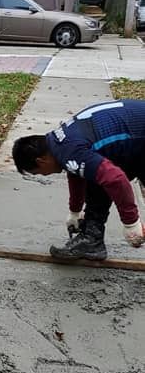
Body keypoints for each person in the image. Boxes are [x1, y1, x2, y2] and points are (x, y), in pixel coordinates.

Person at [12, 99, 145, 261]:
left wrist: (131, 223)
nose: (44, 175)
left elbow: (116, 179)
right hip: (137, 139)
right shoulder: (60, 142)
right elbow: (77, 171)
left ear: (41, 161)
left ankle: (92, 239)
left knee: (104, 177)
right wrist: (75, 212)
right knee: (96, 175)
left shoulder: (70, 151)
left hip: (138, 139)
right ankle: (92, 240)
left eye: (39, 172)